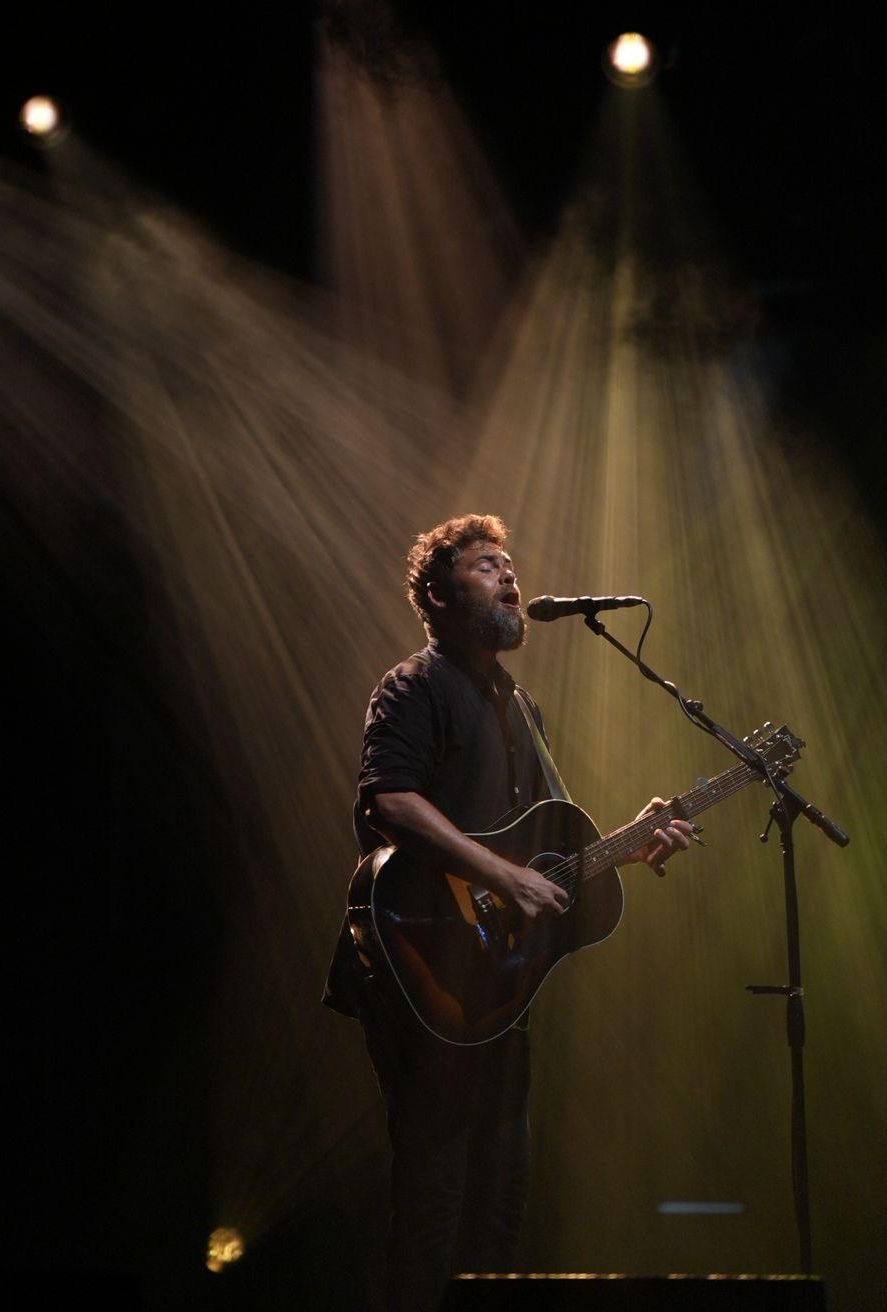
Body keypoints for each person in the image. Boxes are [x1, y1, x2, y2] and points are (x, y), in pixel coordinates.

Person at [323, 514, 693, 1312]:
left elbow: (542, 856)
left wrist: (629, 844)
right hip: (417, 959)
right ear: (437, 594)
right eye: (488, 566)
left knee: (503, 1204)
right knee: (435, 1198)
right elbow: (388, 800)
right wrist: (501, 876)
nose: (511, 577)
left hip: (495, 983)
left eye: (510, 564)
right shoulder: (413, 685)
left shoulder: (523, 707)